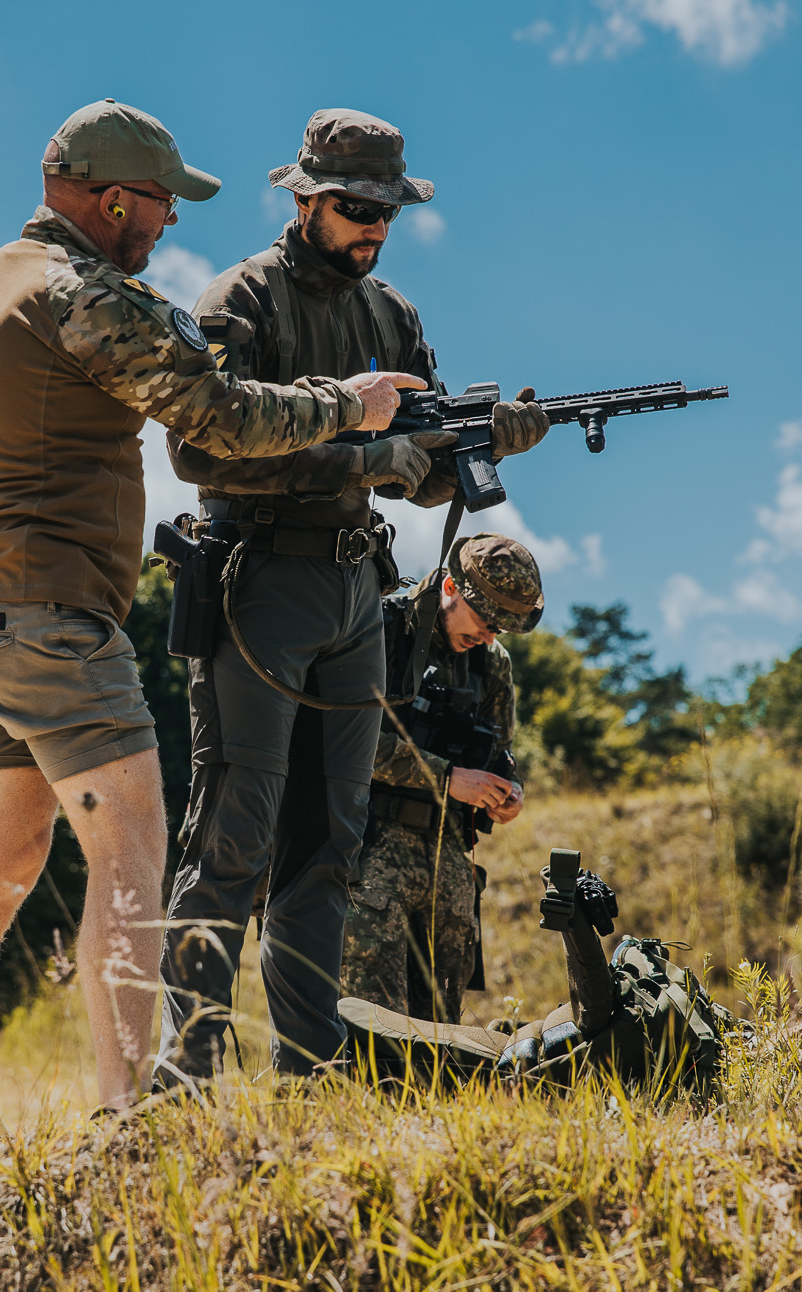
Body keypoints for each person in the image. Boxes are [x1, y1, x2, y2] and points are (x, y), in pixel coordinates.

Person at [0, 98, 419, 1172]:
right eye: (163, 204)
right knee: (130, 851)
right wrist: (346, 407)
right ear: (113, 200)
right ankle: (130, 1128)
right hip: (56, 623)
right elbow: (218, 417)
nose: (168, 224)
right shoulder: (87, 296)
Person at [154, 109, 549, 1086]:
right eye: (356, 208)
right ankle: (188, 1071)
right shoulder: (241, 299)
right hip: (260, 581)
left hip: (354, 587)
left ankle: (306, 1073)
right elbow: (198, 447)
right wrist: (361, 454)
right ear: (305, 199)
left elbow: (420, 476)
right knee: (235, 832)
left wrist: (487, 444)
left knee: (329, 839)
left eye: (387, 210)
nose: (375, 226)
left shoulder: (393, 316)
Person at [338, 533, 541, 1023]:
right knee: (373, 1029)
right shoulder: (379, 629)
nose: (489, 636)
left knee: (442, 1035)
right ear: (450, 587)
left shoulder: (491, 663)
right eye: (486, 621)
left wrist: (507, 792)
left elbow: (498, 752)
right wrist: (445, 777)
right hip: (368, 857)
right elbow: (341, 740)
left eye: (501, 628)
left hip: (449, 868)